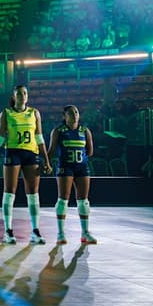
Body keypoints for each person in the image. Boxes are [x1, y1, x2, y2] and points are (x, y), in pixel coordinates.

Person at [0, 85, 52, 244]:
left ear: (27, 96)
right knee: (10, 191)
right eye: (19, 93)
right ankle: (8, 231)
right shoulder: (6, 113)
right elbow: (0, 137)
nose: (22, 96)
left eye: (25, 93)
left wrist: (46, 159)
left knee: (33, 192)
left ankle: (35, 231)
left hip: (31, 153)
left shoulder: (34, 113)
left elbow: (39, 138)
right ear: (14, 96)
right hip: (13, 152)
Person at [46, 105, 97, 244]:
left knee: (84, 201)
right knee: (63, 199)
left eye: (76, 112)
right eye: (70, 113)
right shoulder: (58, 131)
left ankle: (85, 233)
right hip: (65, 167)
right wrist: (47, 163)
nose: (74, 115)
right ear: (64, 116)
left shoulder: (85, 131)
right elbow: (50, 151)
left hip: (82, 168)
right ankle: (61, 233)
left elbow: (90, 151)